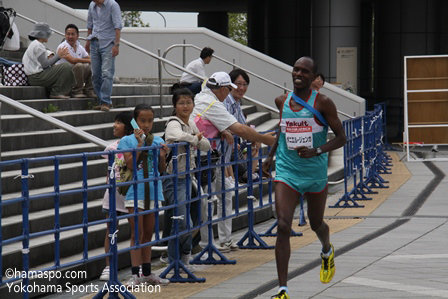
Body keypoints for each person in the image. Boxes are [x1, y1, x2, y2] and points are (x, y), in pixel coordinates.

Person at [262, 57, 346, 299]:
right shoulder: (282, 101)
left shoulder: (323, 103)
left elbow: (341, 138)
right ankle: (283, 290)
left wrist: (317, 150)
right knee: (283, 225)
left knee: (316, 223)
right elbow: (283, 128)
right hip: (287, 171)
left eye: (305, 71)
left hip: (314, 172)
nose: (298, 73)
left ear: (314, 78)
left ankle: (327, 250)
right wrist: (270, 157)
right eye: (296, 69)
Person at [191, 71, 276, 253]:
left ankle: (224, 240)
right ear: (222, 89)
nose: (230, 92)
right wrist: (267, 139)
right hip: (201, 159)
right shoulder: (212, 103)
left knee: (224, 194)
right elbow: (241, 129)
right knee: (206, 200)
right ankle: (206, 244)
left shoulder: (205, 98)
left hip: (215, 157)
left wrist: (223, 131)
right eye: (230, 88)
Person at [118, 104, 170, 287]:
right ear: (135, 121)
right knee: (136, 233)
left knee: (148, 233)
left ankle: (147, 273)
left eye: (150, 120)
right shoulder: (127, 141)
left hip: (154, 191)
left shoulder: (156, 141)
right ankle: (134, 274)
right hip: (135, 191)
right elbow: (130, 164)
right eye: (142, 120)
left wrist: (163, 155)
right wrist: (140, 144)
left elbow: (161, 169)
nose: (147, 124)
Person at [163, 88, 211, 270]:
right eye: (181, 103)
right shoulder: (173, 122)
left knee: (197, 215)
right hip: (174, 178)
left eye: (188, 102)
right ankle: (176, 260)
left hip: (188, 176)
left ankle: (184, 257)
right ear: (175, 106)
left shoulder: (191, 122)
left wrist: (195, 139)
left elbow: (206, 144)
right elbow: (174, 136)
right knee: (181, 220)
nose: (185, 106)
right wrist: (194, 139)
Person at [99, 111, 133, 281]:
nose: (115, 125)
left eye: (119, 122)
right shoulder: (111, 148)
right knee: (111, 230)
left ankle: (138, 265)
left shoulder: (135, 145)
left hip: (131, 193)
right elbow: (109, 170)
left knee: (136, 229)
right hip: (113, 193)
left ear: (127, 126)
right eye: (115, 122)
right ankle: (109, 266)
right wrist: (108, 187)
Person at [223, 68, 261, 185]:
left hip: (231, 145)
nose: (242, 88)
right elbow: (230, 126)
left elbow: (243, 124)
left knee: (255, 146)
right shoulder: (225, 101)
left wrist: (254, 138)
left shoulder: (236, 103)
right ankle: (243, 176)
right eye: (238, 84)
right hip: (222, 145)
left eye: (245, 84)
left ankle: (246, 176)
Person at [85, 0, 122, 112]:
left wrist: (116, 44)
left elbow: (118, 26)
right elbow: (90, 24)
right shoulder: (92, 5)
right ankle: (101, 100)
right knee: (95, 74)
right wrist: (88, 41)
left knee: (107, 73)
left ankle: (106, 101)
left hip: (108, 43)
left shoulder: (112, 5)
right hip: (94, 41)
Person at [22, 22, 75, 99]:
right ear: (42, 34)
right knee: (66, 66)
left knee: (63, 67)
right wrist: (58, 56)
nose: (49, 36)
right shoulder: (38, 45)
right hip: (36, 77)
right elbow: (45, 65)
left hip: (35, 77)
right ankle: (56, 92)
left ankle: (58, 90)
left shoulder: (34, 44)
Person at [56, 24, 96, 98]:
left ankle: (89, 90)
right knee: (79, 65)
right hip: (64, 77)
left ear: (77, 35)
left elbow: (89, 58)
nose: (70, 36)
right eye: (68, 34)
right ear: (65, 35)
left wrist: (92, 61)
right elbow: (72, 60)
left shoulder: (79, 46)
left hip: (75, 75)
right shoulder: (63, 46)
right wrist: (89, 60)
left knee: (93, 66)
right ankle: (76, 91)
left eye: (72, 34)